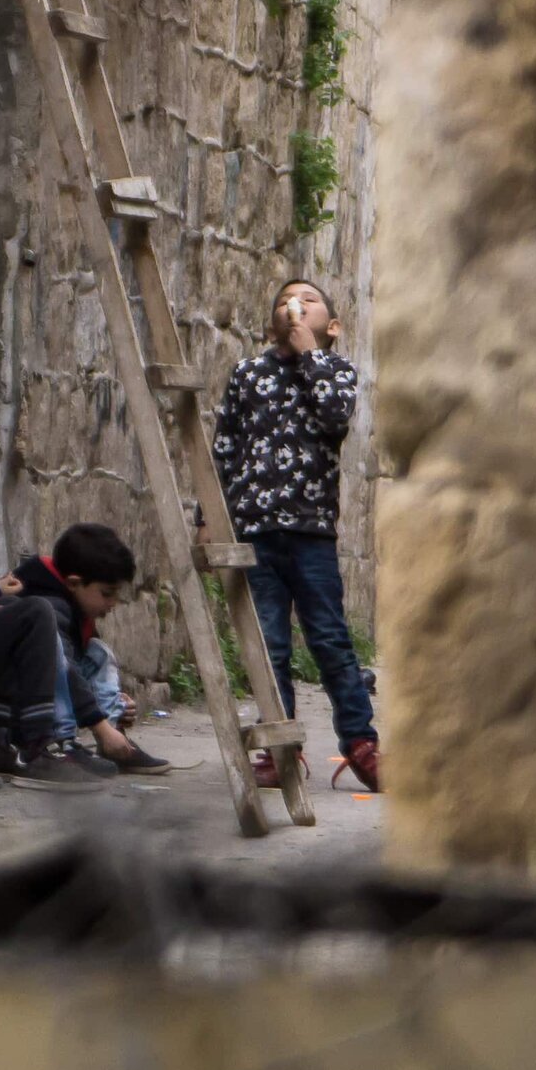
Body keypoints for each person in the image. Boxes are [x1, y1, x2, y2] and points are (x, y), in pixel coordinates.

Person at [210, 277, 382, 794]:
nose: (295, 305)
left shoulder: (337, 372)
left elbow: (334, 418)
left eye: (308, 301)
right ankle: (279, 747)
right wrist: (208, 515)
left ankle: (359, 744)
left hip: (310, 531)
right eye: (287, 300)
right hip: (256, 530)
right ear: (271, 323)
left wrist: (311, 356)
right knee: (269, 645)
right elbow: (224, 447)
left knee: (330, 639)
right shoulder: (247, 374)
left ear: (330, 326)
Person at [0, 521, 171, 781]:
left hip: (27, 693)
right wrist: (98, 723)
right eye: (106, 593)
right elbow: (63, 668)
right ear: (74, 583)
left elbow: (79, 665)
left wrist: (113, 704)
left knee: (97, 653)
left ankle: (115, 741)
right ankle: (62, 743)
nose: (113, 604)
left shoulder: (73, 607)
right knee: (56, 644)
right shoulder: (51, 605)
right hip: (16, 710)